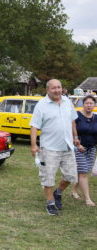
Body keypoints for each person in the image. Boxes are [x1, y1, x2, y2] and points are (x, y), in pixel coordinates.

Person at [30, 79, 79, 216]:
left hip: (68, 146)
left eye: (59, 87)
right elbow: (34, 126)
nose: (57, 90)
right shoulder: (41, 105)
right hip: (49, 148)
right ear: (48, 90)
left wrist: (75, 137)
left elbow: (72, 121)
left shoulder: (67, 101)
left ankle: (58, 193)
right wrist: (34, 145)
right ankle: (50, 203)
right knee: (48, 177)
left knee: (71, 176)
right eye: (54, 88)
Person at [71, 95, 97, 206]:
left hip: (92, 148)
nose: (89, 105)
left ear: (94, 105)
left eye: (91, 103)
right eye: (87, 103)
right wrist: (77, 143)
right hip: (79, 148)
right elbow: (70, 130)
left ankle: (74, 191)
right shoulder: (76, 116)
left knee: (81, 172)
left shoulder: (96, 117)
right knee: (83, 173)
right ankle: (88, 199)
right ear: (83, 104)